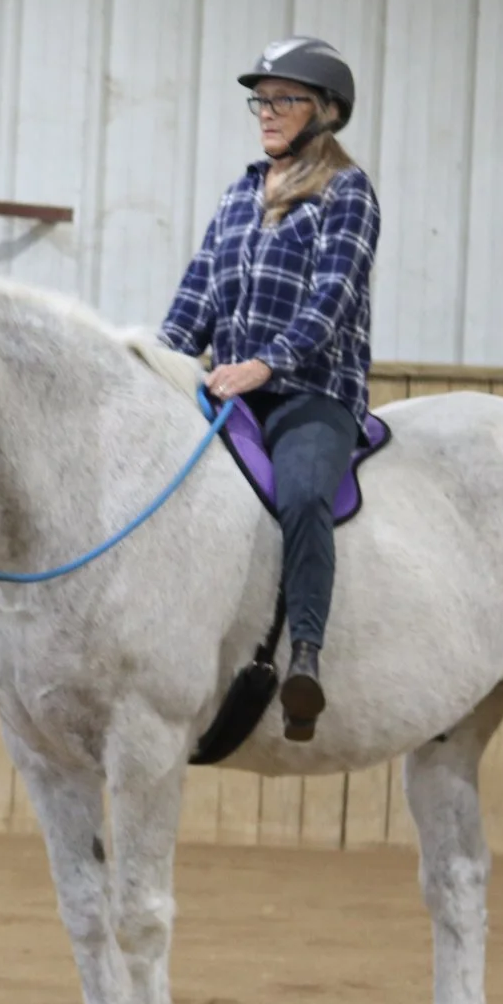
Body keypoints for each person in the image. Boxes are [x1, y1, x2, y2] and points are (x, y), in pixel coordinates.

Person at [160, 37, 380, 741]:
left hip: (312, 393)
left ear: (327, 111)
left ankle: (305, 655)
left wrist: (266, 365)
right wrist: (155, 365)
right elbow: (197, 294)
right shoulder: (238, 193)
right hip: (230, 390)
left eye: (285, 99)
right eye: (263, 98)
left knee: (307, 491)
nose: (267, 111)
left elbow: (332, 301)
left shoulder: (347, 193)